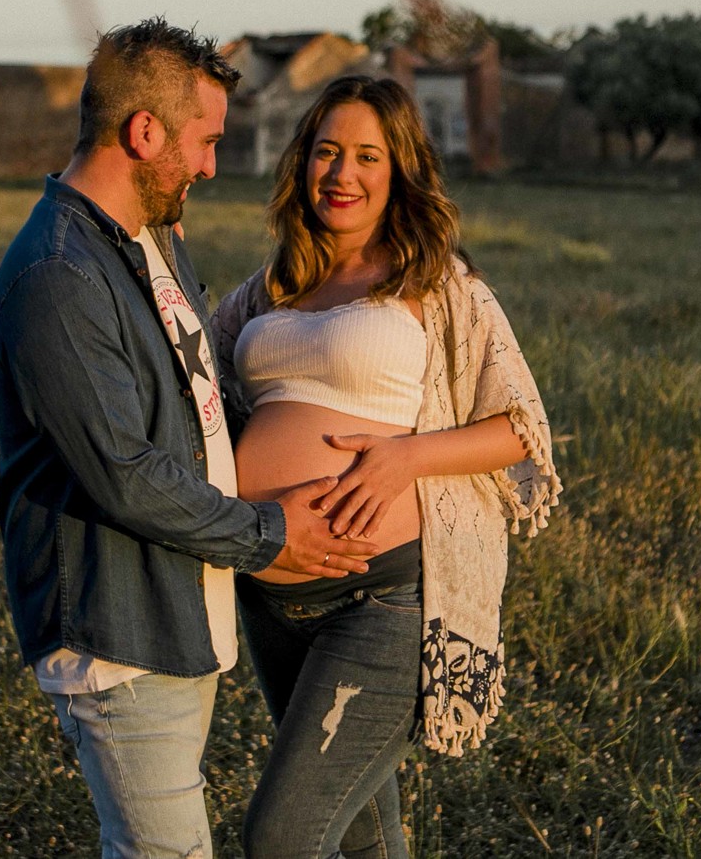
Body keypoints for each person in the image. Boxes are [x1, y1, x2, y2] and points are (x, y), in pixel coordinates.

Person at [0, 19, 378, 859]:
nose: (208, 165)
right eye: (203, 142)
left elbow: (201, 399)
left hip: (175, 609)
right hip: (118, 633)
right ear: (144, 132)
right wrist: (273, 534)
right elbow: (125, 472)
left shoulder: (147, 242)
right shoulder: (59, 275)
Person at [212, 75, 563, 859]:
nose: (342, 173)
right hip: (271, 592)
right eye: (327, 152)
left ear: (398, 169)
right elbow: (193, 372)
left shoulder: (438, 285)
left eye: (367, 155)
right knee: (370, 836)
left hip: (384, 598)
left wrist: (408, 456)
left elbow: (523, 427)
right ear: (303, 163)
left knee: (280, 836)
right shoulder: (273, 285)